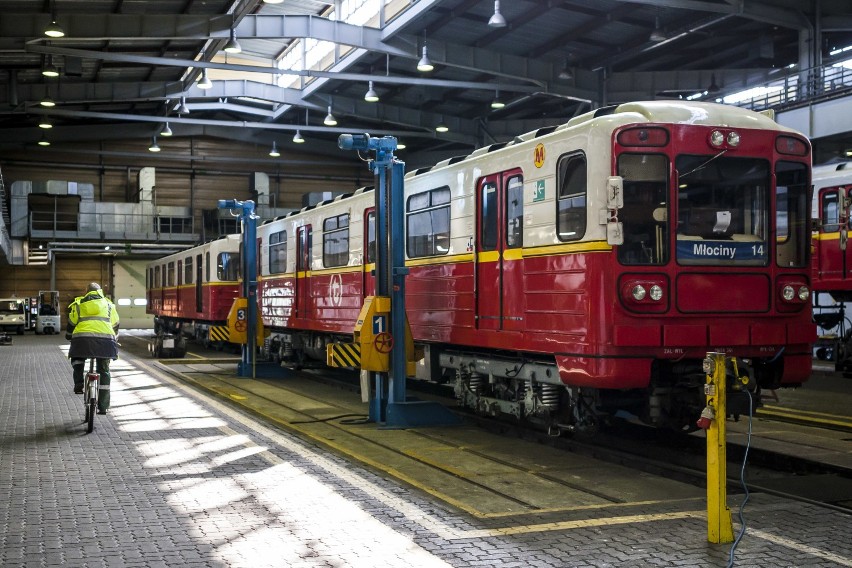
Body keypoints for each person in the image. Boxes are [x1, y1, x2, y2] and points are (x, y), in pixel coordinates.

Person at [66, 282, 120, 415]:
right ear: (100, 291)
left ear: (86, 291)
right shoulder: (109, 305)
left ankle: (79, 383)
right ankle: (103, 406)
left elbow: (72, 322)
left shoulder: (78, 304)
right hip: (105, 342)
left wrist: (68, 336)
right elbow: (115, 324)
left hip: (82, 341)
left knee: (77, 357)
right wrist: (115, 339)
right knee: (104, 371)